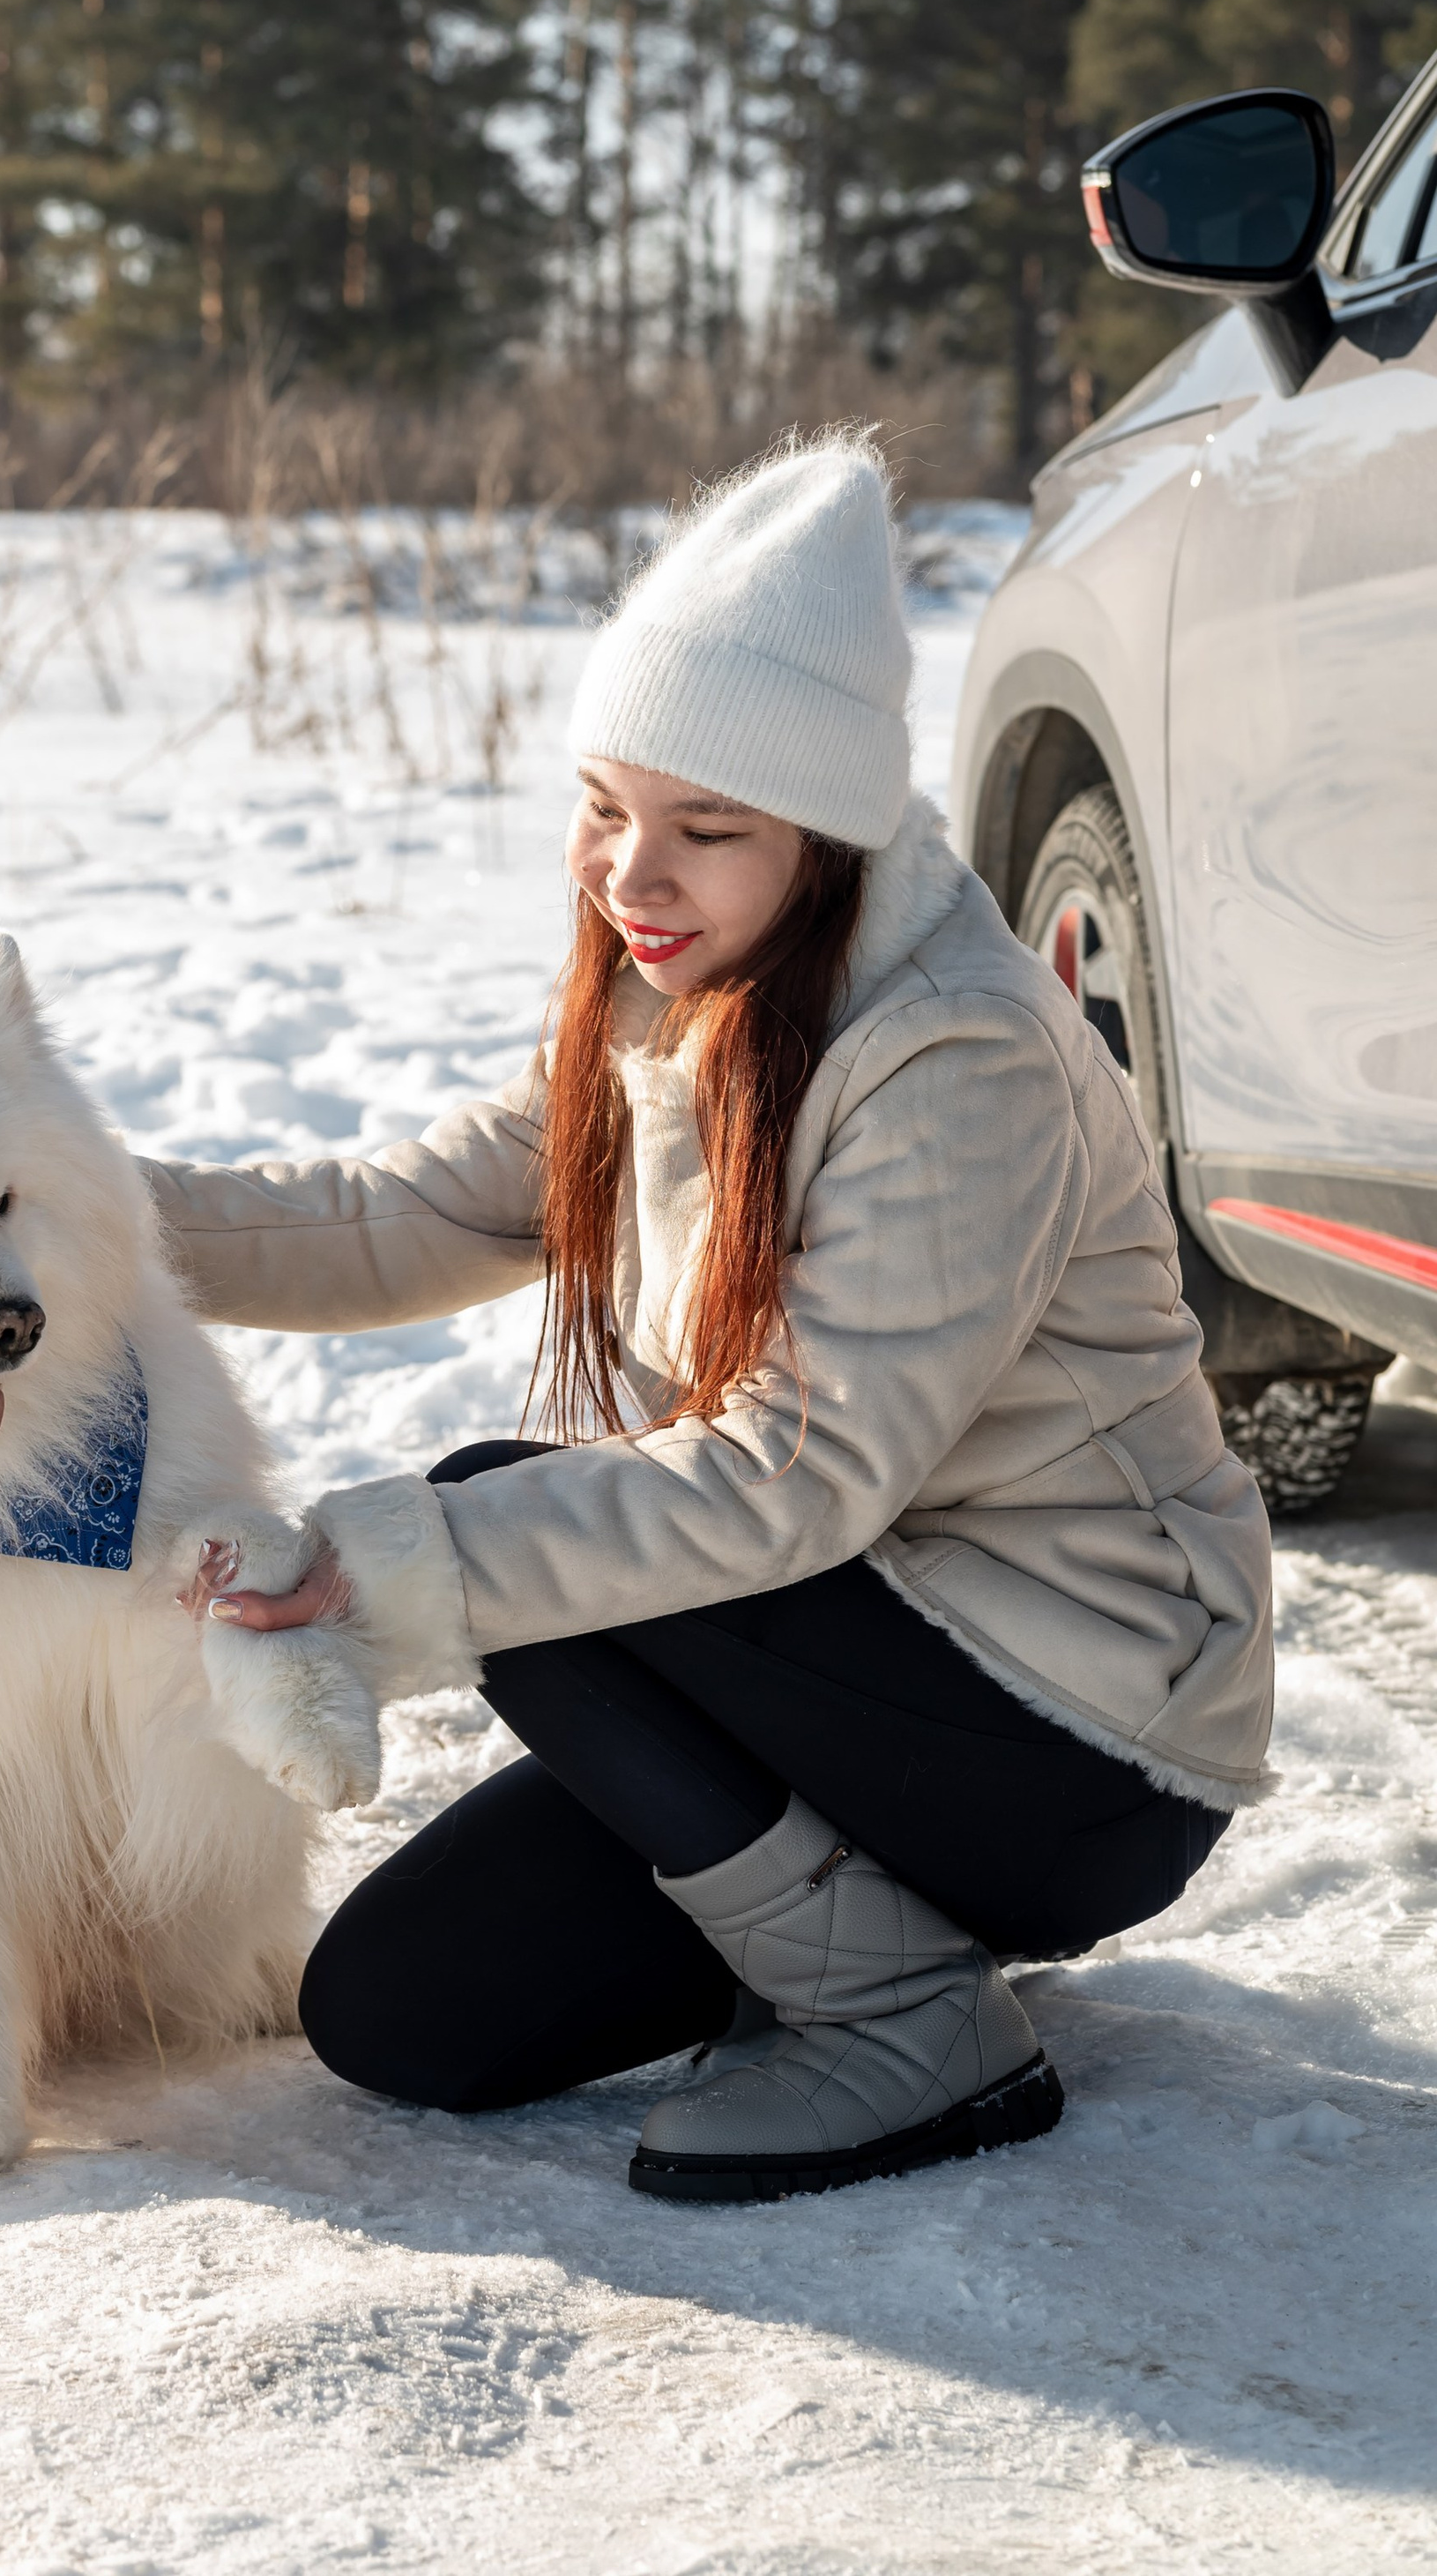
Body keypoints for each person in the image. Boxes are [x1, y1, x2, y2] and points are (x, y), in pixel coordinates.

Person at [149, 436, 1272, 2206]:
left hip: (1080, 1725)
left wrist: (393, 1560)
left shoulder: (952, 1052)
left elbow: (788, 1481)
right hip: (851, 1671)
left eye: (705, 829)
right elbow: (405, 1212)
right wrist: (61, 1223)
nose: (631, 875)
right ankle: (864, 1926)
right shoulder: (674, 997)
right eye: (605, 806)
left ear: (822, 836)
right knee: (402, 2014)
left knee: (506, 1526)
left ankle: (906, 2017)